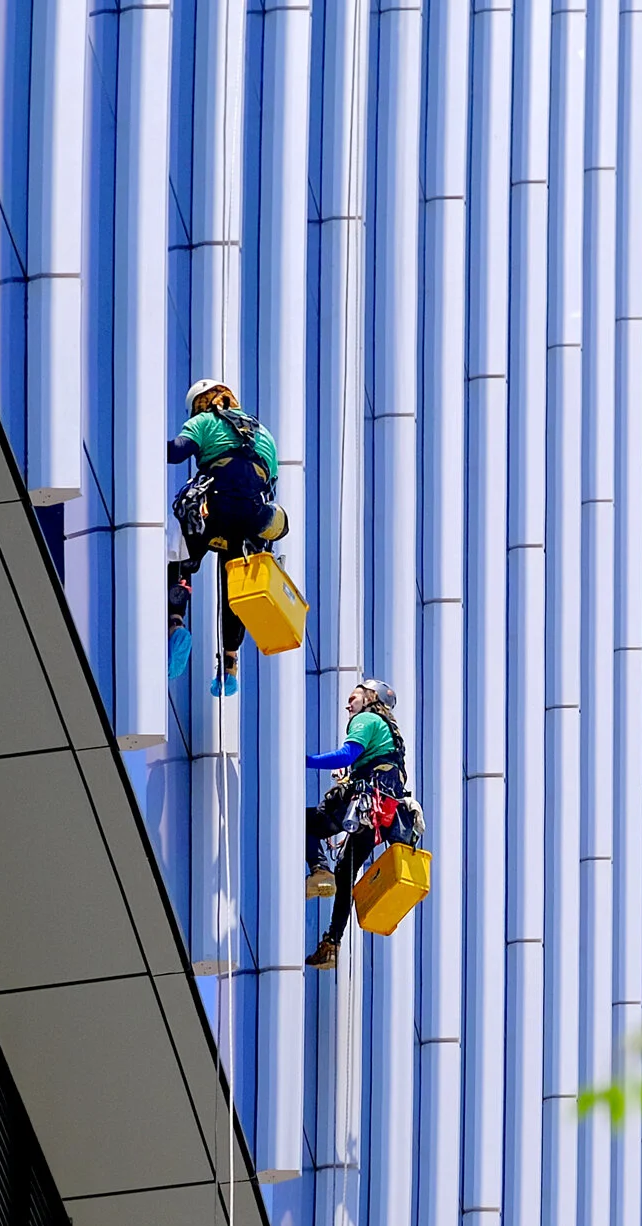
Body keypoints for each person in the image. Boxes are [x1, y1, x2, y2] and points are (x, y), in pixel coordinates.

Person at [168, 379, 287, 696]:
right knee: (236, 585)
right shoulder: (264, 435)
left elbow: (178, 452)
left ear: (199, 404)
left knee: (180, 559)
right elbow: (270, 482)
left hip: (215, 505)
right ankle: (230, 664)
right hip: (251, 519)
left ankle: (175, 623)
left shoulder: (205, 421)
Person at [303, 678, 416, 970]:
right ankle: (331, 943)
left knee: (306, 823)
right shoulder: (391, 734)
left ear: (368, 698)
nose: (347, 704)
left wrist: (304, 760)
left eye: (353, 697)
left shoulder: (367, 719)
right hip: (379, 816)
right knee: (346, 873)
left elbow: (347, 754)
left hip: (364, 803)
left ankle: (318, 871)